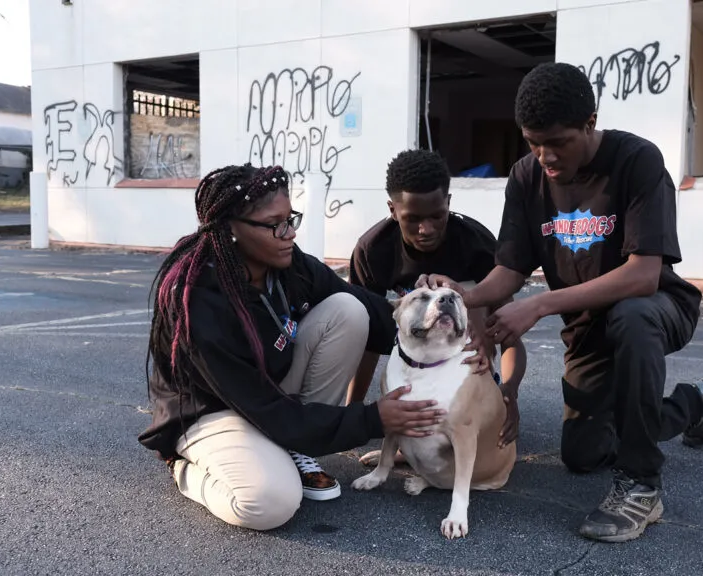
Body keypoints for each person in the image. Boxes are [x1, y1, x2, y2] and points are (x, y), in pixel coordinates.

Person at [420, 62, 703, 544]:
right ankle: (693, 403)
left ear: (590, 123)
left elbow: (643, 275)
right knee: (583, 456)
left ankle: (642, 486)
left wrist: (539, 305)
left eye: (558, 141)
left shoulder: (637, 161)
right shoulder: (526, 178)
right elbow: (511, 270)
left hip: (657, 307)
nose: (545, 155)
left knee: (633, 316)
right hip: (587, 328)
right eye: (533, 142)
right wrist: (466, 295)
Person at [137, 163, 472, 531]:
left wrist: (436, 325)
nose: (290, 233)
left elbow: (368, 309)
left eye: (290, 218)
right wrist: (373, 418)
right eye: (275, 224)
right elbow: (263, 406)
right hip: (211, 411)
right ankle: (186, 465)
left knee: (349, 310)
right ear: (230, 229)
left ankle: (295, 443)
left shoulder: (286, 264)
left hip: (270, 394)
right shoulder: (199, 300)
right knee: (270, 502)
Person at [346, 149, 528, 465]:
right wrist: (352, 413)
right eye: (412, 219)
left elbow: (510, 335)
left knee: (463, 295)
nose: (426, 229)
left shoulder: (475, 244)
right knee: (363, 316)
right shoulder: (372, 250)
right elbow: (366, 342)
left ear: (449, 203)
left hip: (467, 359)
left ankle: (479, 400)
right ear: (392, 210)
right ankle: (416, 433)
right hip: (414, 359)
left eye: (436, 216)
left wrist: (509, 393)